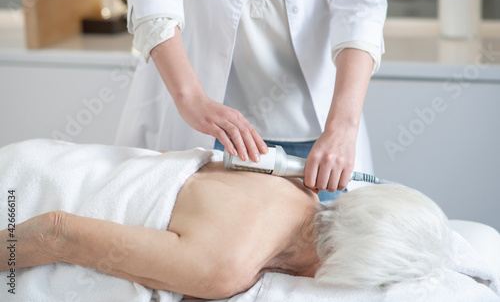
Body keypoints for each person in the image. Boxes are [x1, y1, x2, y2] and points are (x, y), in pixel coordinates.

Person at [0, 140, 452, 300]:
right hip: (19, 206)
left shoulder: (293, 185)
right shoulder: (226, 268)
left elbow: (163, 160)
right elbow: (57, 232)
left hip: (35, 159)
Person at [116, 0, 388, 200]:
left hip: (319, 138)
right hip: (205, 126)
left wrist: (343, 127)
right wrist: (190, 97)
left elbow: (359, 4)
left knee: (327, 255)